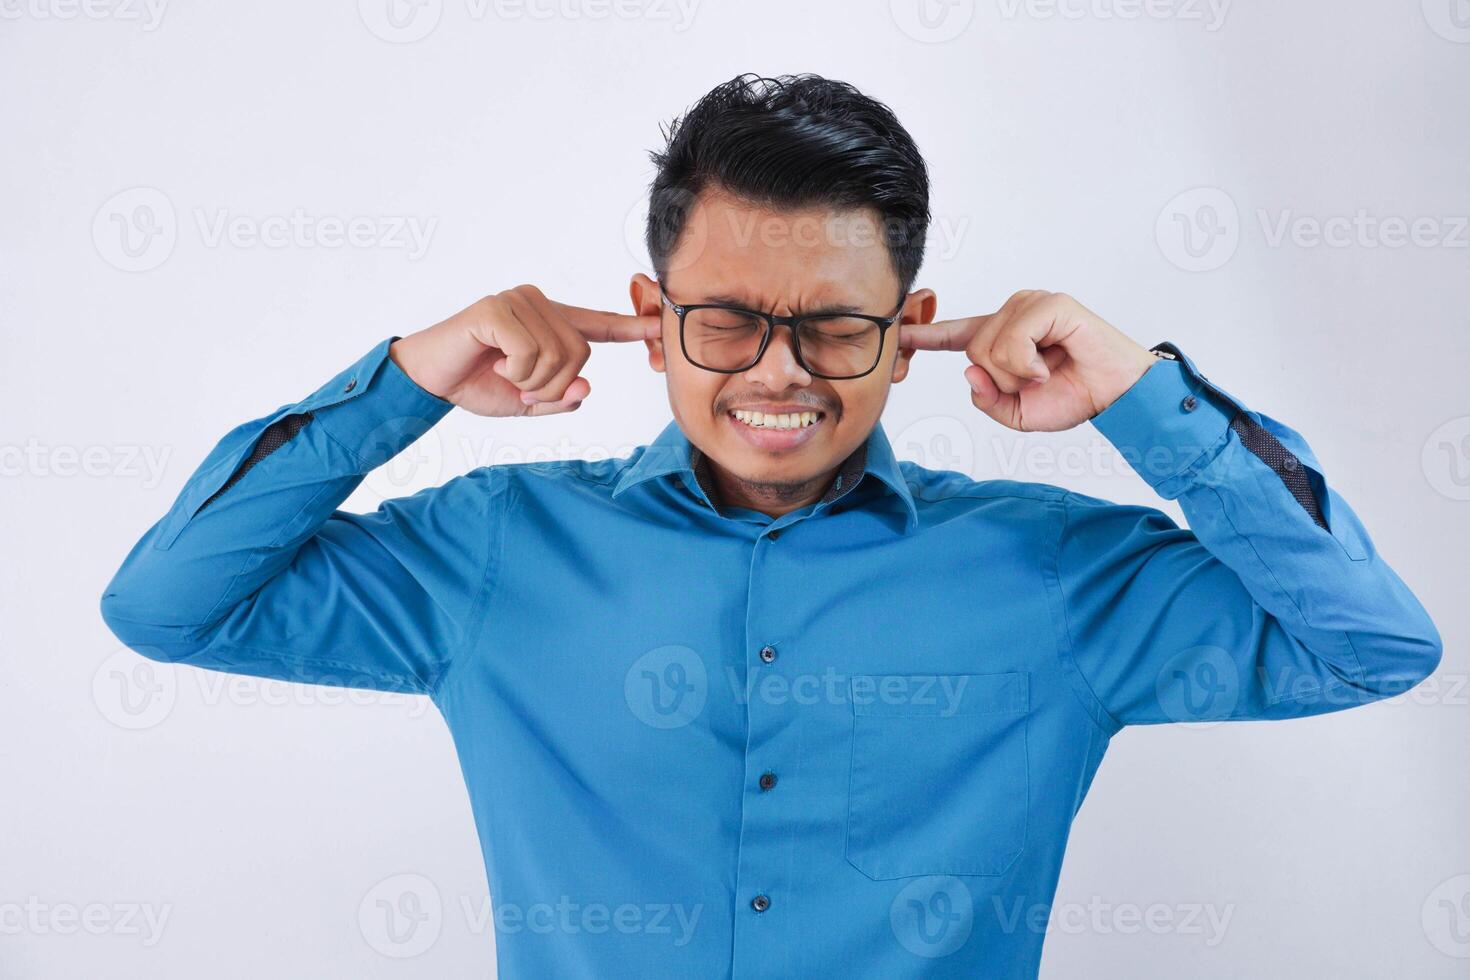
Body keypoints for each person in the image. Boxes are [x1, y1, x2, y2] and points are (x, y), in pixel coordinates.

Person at [99, 73, 1441, 979]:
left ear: (911, 332)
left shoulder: (1051, 575)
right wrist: (401, 381)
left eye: (835, 325)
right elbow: (170, 605)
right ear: (649, 312)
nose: (778, 372)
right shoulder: (495, 550)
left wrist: (1145, 398)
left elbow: (1369, 646)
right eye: (727, 318)